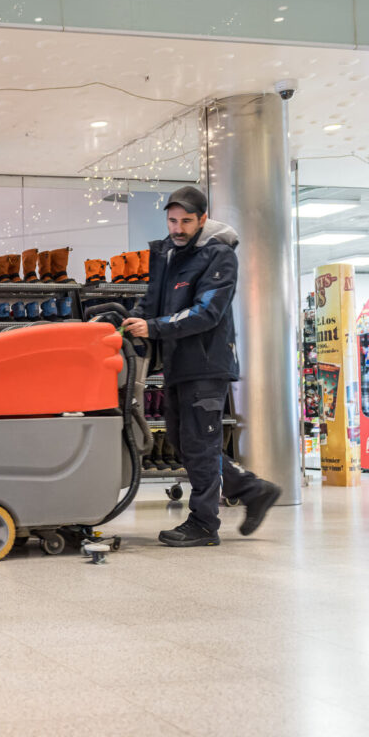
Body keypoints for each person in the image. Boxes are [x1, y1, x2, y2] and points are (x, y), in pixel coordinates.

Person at [123, 185, 282, 548]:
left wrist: (155, 327)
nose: (177, 228)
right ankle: (253, 490)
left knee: (199, 441)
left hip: (207, 364)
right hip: (177, 363)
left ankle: (204, 523)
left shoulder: (219, 256)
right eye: (172, 221)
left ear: (203, 219)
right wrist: (130, 321)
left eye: (186, 221)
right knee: (184, 442)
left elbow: (207, 311)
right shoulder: (166, 253)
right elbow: (152, 302)